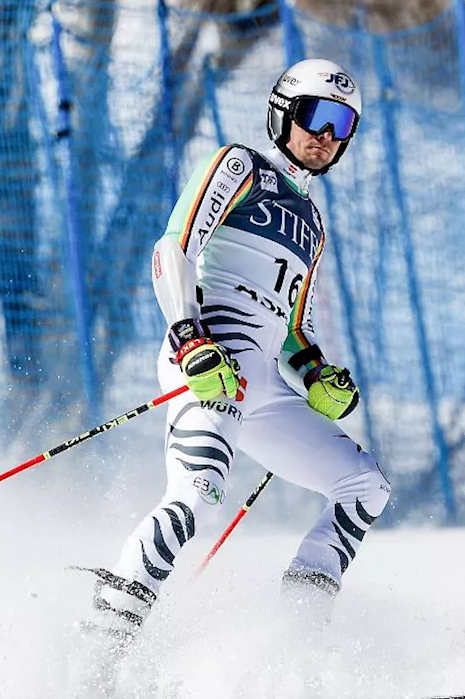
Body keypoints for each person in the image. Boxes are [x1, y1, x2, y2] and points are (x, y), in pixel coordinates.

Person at [85, 58, 391, 646]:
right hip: (211, 361)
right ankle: (100, 646)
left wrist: (317, 372)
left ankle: (294, 647)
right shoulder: (242, 167)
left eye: (343, 125)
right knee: (196, 497)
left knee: (365, 486)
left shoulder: (314, 222)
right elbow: (172, 250)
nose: (327, 136)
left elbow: (292, 328)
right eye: (316, 116)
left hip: (263, 386)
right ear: (283, 113)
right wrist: (190, 338)